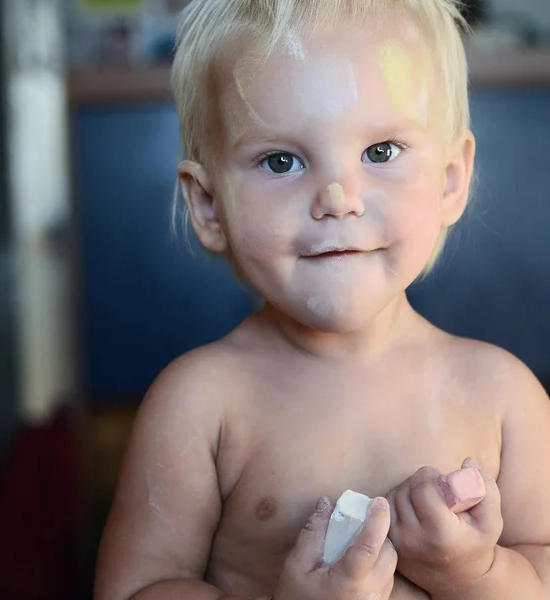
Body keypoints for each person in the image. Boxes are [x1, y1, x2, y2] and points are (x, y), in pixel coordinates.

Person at [94, 1, 550, 599]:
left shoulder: (503, 396)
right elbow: (135, 590)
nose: (338, 198)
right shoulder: (200, 404)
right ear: (208, 206)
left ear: (450, 179)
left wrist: (472, 573)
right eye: (281, 161)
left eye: (381, 152)